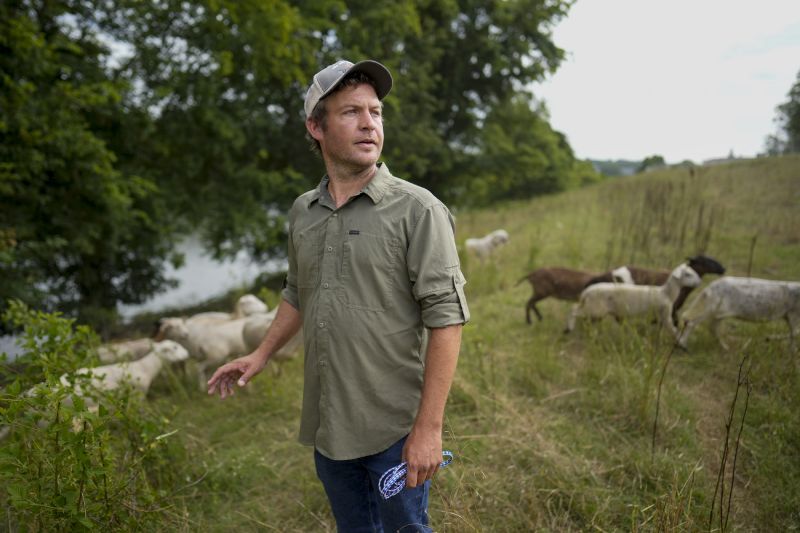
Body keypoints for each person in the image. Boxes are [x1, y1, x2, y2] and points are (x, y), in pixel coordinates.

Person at [207, 59, 470, 532]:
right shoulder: (303, 212)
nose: (370, 123)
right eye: (351, 112)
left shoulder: (419, 210)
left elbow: (446, 319)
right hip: (329, 424)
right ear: (316, 127)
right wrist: (261, 354)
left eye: (376, 112)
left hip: (394, 428)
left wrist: (428, 429)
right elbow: (297, 291)